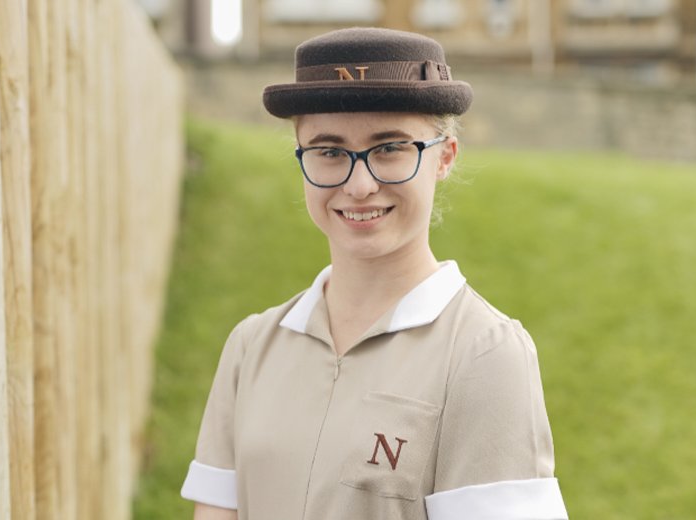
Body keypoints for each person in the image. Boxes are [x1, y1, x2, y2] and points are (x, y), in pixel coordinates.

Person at [181, 27, 568, 520]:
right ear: (301, 158)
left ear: (444, 157)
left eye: (389, 148)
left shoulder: (483, 356)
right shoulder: (251, 347)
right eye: (329, 152)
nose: (359, 185)